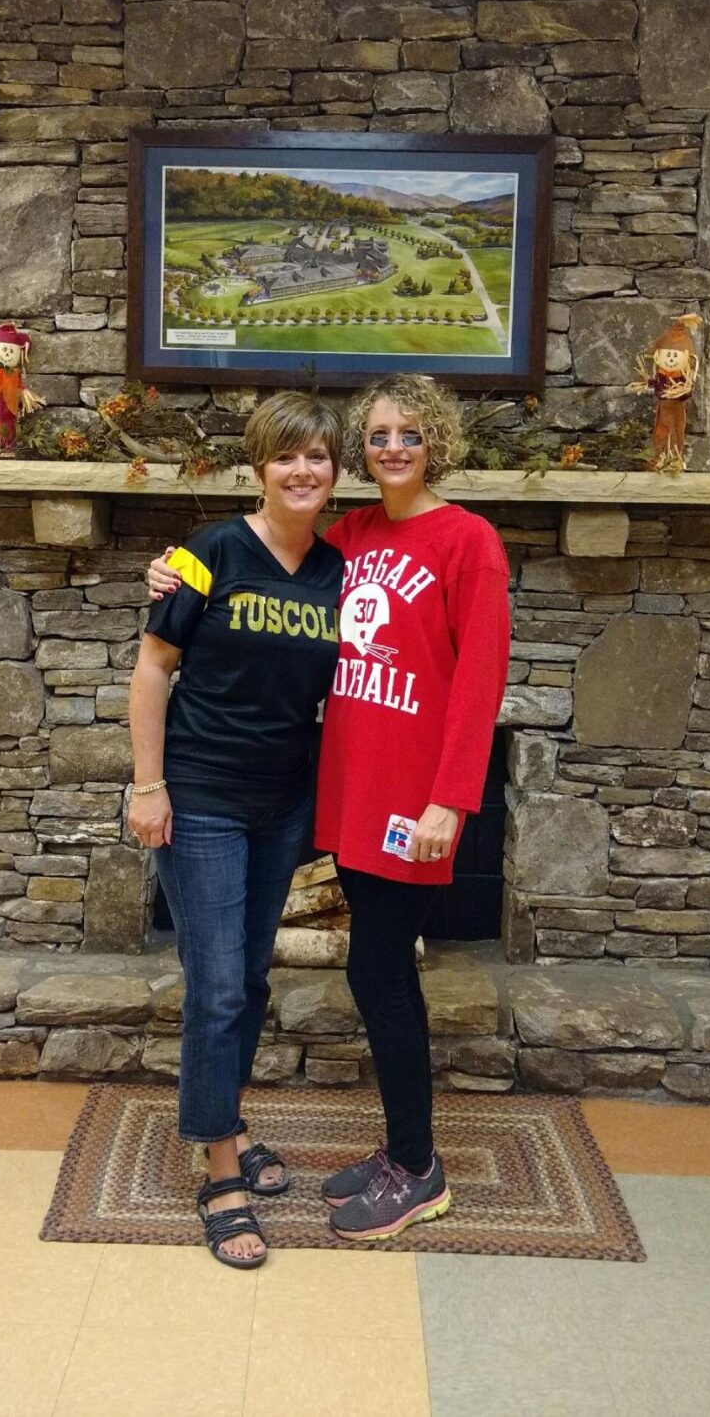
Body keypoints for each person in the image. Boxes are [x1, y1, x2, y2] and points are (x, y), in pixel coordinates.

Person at [149, 374, 510, 1243]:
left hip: (414, 806)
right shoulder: (349, 537)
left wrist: (451, 801)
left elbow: (478, 682)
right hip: (346, 796)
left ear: (436, 442)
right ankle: (395, 1154)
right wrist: (169, 571)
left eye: (409, 434)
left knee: (380, 971)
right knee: (356, 970)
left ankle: (416, 1167)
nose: (392, 448)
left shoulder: (468, 541)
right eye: (377, 435)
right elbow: (257, 557)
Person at [127, 390, 344, 1269]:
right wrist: (148, 787)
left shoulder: (339, 570)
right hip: (201, 798)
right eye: (285, 455)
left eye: (317, 456)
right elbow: (152, 668)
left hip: (282, 803)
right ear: (259, 467)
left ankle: (228, 1122)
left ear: (335, 470)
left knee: (247, 979)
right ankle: (220, 1173)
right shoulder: (209, 550)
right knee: (217, 986)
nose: (301, 470)